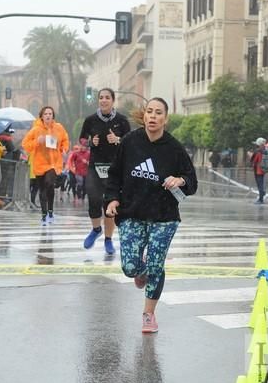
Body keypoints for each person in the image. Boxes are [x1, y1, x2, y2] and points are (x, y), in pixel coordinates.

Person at [104, 97, 197, 333]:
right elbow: (114, 175)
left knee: (156, 263)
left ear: (165, 119)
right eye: (149, 112)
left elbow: (192, 182)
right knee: (130, 267)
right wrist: (113, 198)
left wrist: (181, 180)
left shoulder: (174, 148)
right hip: (132, 213)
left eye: (158, 113)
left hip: (164, 216)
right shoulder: (129, 142)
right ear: (144, 116)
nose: (153, 116)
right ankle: (140, 271)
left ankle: (148, 314)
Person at [80, 88, 131, 255]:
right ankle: (96, 230)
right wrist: (90, 142)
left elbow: (131, 142)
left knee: (109, 204)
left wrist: (118, 140)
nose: (103, 100)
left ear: (113, 100)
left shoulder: (122, 121)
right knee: (94, 199)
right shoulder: (90, 120)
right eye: (101, 98)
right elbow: (81, 139)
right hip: (95, 166)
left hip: (114, 169)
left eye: (107, 98)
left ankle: (108, 240)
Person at [22, 106, 69, 226]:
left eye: (50, 113)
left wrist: (64, 149)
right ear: (41, 116)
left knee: (49, 183)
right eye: (46, 114)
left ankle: (51, 212)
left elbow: (65, 140)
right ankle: (44, 216)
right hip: (40, 164)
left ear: (53, 116)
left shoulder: (59, 128)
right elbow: (25, 144)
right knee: (43, 189)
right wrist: (37, 141)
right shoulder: (36, 130)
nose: (48, 115)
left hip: (54, 164)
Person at [250, 137, 267, 204]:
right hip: (263, 170)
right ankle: (262, 193)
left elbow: (254, 161)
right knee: (261, 184)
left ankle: (261, 199)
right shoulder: (265, 151)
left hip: (258, 170)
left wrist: (250, 156)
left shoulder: (258, 151)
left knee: (260, 185)